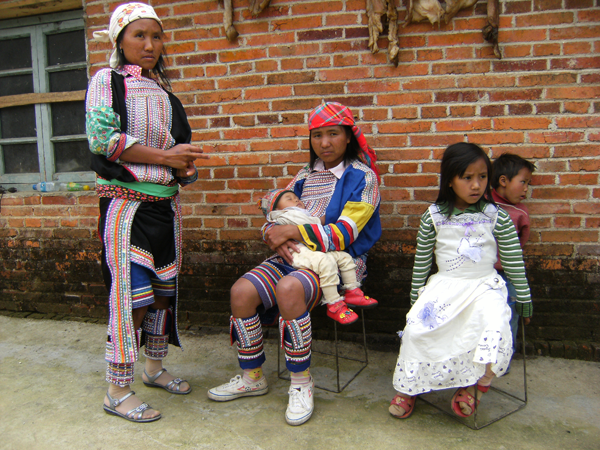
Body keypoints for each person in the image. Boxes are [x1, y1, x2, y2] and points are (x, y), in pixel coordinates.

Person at [207, 102, 382, 426]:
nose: (324, 143)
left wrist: (291, 232)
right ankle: (252, 376)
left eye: (333, 134)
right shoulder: (305, 175)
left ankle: (301, 382)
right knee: (241, 292)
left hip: (339, 262)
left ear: (348, 137)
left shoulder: (363, 178)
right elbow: (274, 216)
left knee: (289, 289)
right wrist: (274, 235)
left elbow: (345, 233)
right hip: (294, 256)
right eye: (317, 135)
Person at [86, 2, 207, 423]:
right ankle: (116, 390)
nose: (150, 44)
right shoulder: (106, 82)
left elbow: (178, 151)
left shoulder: (165, 95)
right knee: (131, 299)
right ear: (119, 40)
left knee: (161, 296)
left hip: (166, 209)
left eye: (156, 36)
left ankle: (153, 368)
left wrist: (184, 165)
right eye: (139, 35)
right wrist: (166, 157)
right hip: (127, 209)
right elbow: (103, 139)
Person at [389, 143, 533, 419]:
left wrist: (524, 297)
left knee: (495, 328)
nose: (476, 185)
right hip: (445, 287)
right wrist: (416, 296)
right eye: (467, 177)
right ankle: (410, 386)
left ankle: (477, 386)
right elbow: (422, 261)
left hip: (484, 287)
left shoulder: (497, 217)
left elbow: (514, 260)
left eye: (482, 177)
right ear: (450, 181)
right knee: (418, 330)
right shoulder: (433, 217)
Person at [260, 188, 378, 325]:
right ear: (276, 210)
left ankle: (352, 291)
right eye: (289, 199)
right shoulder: (284, 216)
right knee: (325, 262)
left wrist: (334, 214)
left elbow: (318, 221)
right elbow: (270, 230)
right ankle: (334, 304)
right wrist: (273, 234)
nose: (296, 200)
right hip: (299, 252)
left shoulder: (303, 214)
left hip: (315, 249)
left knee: (344, 257)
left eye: (296, 197)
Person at [491, 153, 536, 370]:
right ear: (503, 180)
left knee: (510, 314)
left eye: (528, 183)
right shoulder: (482, 205)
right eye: (523, 182)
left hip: (508, 274)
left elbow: (520, 244)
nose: (526, 189)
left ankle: (503, 361)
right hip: (482, 273)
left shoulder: (520, 213)